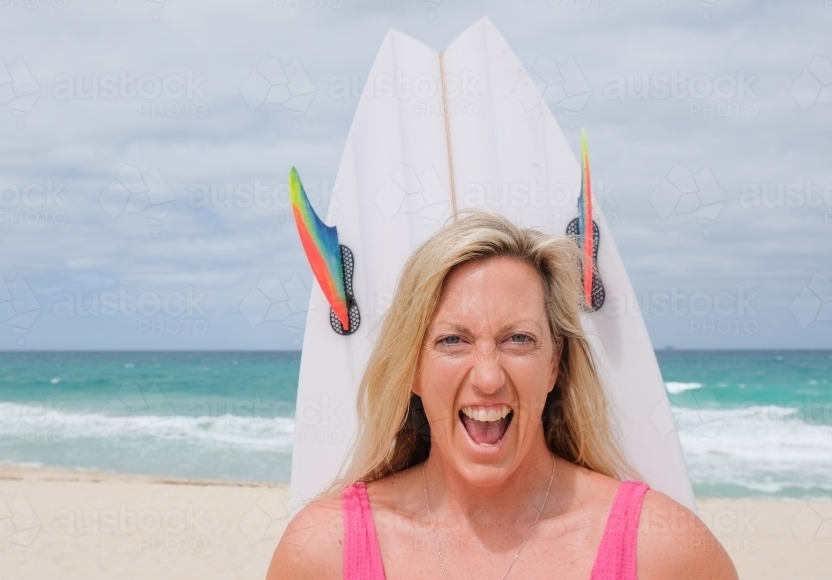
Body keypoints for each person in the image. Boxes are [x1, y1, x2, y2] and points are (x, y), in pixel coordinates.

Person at [267, 210, 738, 580]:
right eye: (453, 340)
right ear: (411, 368)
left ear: (555, 364)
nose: (489, 378)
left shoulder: (662, 550)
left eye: (519, 340)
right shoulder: (323, 552)